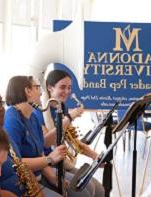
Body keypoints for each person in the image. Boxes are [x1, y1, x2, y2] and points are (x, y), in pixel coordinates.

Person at [4, 75, 95, 197]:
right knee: (82, 194)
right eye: (37, 88)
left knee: (88, 189)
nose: (41, 93)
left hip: (41, 174)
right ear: (27, 91)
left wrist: (52, 177)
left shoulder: (32, 117)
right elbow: (15, 162)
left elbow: (40, 150)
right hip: (24, 183)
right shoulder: (12, 119)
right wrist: (50, 159)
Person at [43, 69, 105, 197]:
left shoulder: (62, 107)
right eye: (62, 87)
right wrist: (70, 117)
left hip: (64, 162)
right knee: (86, 192)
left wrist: (94, 156)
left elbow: (72, 141)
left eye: (69, 87)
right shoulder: (42, 111)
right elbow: (46, 143)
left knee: (100, 190)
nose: (67, 92)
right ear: (50, 87)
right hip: (50, 164)